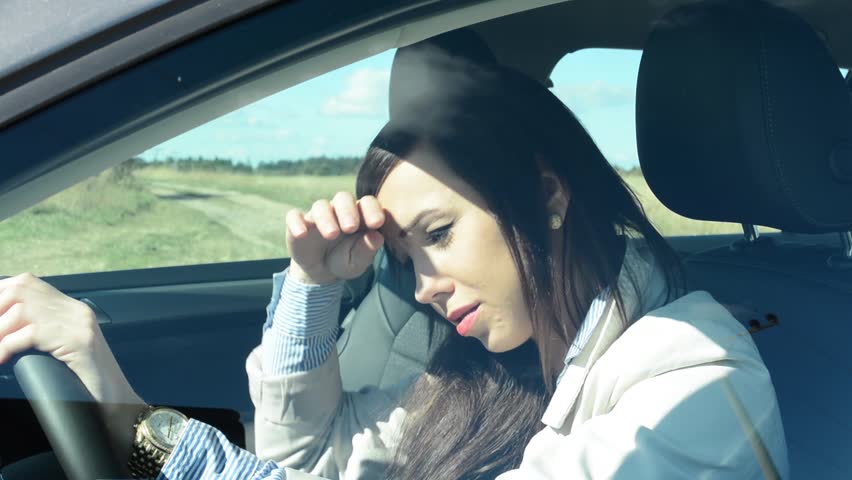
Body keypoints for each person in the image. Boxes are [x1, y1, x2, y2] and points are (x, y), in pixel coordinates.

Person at [0, 30, 788, 479]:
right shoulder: (490, 370)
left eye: (439, 235)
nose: (425, 288)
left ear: (548, 196)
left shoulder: (697, 380)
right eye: (407, 258)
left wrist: (117, 398)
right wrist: (311, 286)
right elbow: (303, 457)